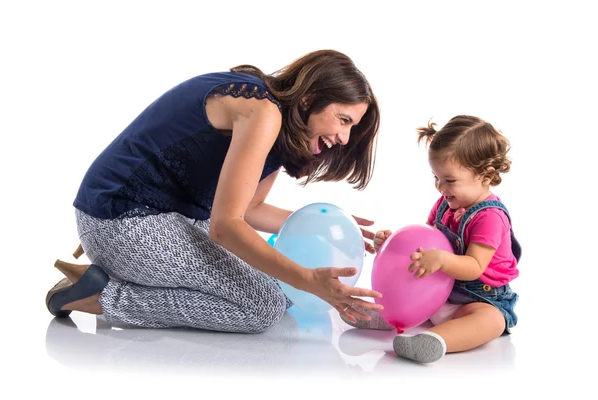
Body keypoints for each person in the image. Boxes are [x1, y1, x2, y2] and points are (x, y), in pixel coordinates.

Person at [46, 49, 385, 333]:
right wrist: (308, 278)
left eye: (351, 128)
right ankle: (100, 295)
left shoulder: (280, 125)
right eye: (343, 120)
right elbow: (226, 226)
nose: (344, 138)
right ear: (310, 99)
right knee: (261, 308)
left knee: (281, 293)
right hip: (119, 219)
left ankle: (115, 273)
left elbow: (250, 208)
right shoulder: (262, 111)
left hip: (170, 218)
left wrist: (318, 227)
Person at [341, 115, 521, 363]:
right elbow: (426, 242)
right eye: (436, 178)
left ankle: (436, 340)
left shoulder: (489, 217)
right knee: (417, 277)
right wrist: (392, 244)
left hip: (481, 299)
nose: (440, 187)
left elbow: (474, 267)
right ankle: (388, 315)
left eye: (450, 180)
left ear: (486, 176)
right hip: (439, 294)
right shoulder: (445, 205)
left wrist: (442, 260)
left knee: (490, 321)